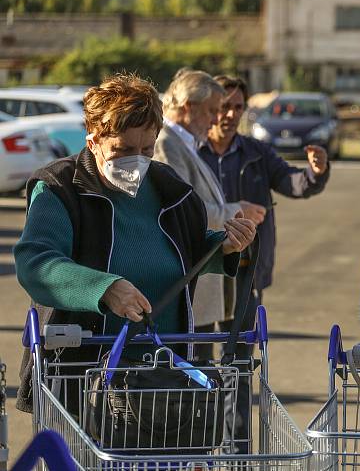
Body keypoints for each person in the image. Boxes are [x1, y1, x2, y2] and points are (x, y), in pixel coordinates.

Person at [14, 73, 257, 414]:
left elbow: (183, 250)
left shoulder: (170, 188)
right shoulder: (58, 188)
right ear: (93, 138)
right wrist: (103, 289)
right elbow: (34, 262)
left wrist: (224, 247)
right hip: (80, 381)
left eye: (146, 148)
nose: (137, 160)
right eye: (124, 149)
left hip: (163, 385)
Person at [198, 74, 330, 451]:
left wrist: (315, 172)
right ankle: (201, 448)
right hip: (201, 273)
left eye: (237, 107)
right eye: (223, 106)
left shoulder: (257, 153)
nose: (228, 114)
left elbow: (293, 183)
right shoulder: (191, 153)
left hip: (244, 273)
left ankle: (236, 451)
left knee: (238, 365)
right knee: (200, 364)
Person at [154, 69, 266, 336]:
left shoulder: (185, 143)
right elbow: (180, 211)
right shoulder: (167, 144)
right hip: (187, 287)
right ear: (188, 106)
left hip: (199, 287)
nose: (216, 119)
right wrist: (237, 211)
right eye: (211, 111)